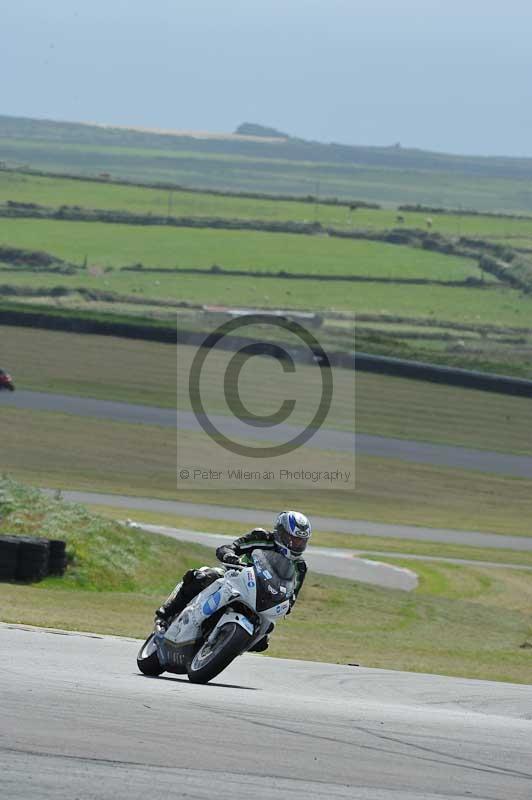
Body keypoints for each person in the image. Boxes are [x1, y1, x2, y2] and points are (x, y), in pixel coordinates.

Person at [154, 511, 311, 651]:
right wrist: (230, 555)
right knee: (203, 576)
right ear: (280, 533)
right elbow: (229, 547)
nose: (296, 544)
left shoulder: (300, 567)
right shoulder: (261, 538)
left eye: (300, 541)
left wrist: (285, 603)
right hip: (236, 578)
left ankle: (222, 645)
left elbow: (292, 597)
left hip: (263, 599)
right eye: (292, 539)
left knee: (264, 638)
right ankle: (167, 612)